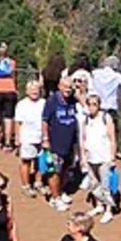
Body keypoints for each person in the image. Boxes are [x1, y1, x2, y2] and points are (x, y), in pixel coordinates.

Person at [43, 75, 82, 211]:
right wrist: (45, 139)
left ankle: (60, 191)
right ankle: (54, 198)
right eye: (66, 87)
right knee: (54, 170)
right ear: (59, 86)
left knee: (66, 169)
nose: (68, 90)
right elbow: (45, 120)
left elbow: (85, 107)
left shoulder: (72, 100)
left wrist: (77, 94)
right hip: (55, 142)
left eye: (71, 87)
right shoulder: (52, 101)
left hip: (70, 142)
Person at [80, 93, 117, 222]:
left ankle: (109, 210)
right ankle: (99, 205)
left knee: (105, 184)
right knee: (94, 183)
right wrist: (83, 157)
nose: (91, 107)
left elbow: (112, 138)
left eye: (94, 104)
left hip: (104, 157)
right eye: (89, 104)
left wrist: (112, 156)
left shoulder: (106, 118)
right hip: (91, 156)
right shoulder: (86, 120)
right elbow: (83, 139)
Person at [90, 55, 121, 149]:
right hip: (110, 107)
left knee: (96, 129)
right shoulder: (116, 76)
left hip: (96, 106)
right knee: (111, 131)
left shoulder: (95, 73)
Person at [14, 79, 47, 196]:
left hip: (41, 137)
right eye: (32, 90)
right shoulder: (21, 104)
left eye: (36, 89)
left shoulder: (44, 103)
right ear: (27, 91)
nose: (34, 92)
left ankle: (38, 183)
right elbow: (18, 123)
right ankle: (26, 185)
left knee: (40, 161)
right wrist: (17, 139)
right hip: (27, 137)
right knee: (26, 162)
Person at [0, 42, 19, 147]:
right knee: (8, 117)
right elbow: (14, 76)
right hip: (10, 90)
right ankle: (7, 142)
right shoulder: (12, 63)